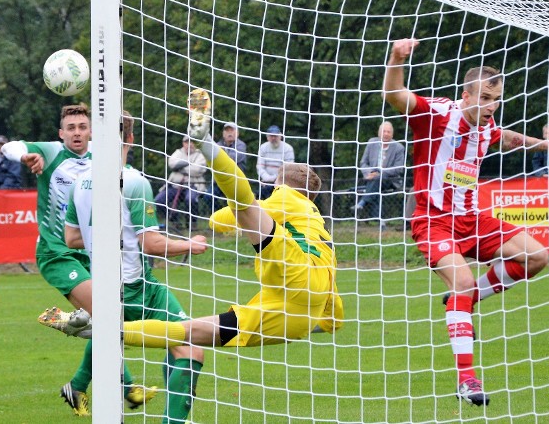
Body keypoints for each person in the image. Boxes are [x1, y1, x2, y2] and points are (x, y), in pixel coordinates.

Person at [43, 88, 343, 360]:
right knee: (189, 331)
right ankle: (102, 331)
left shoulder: (288, 196)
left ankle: (204, 142)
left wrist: (221, 219)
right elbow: (334, 313)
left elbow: (224, 217)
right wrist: (321, 323)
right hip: (293, 313)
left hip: (294, 268)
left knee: (245, 204)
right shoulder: (317, 223)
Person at [383, 38, 549, 407]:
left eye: (496, 100)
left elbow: (506, 137)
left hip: (474, 219)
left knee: (538, 257)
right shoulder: (438, 114)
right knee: (460, 282)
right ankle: (467, 380)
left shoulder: (487, 126)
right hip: (435, 221)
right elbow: (395, 93)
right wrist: (397, 58)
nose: (492, 106)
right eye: (486, 98)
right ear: (466, 94)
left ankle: (469, 297)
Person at [40, 111, 207, 423]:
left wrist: (105, 241)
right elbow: (151, 244)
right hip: (138, 288)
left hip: (108, 285)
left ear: (96, 137)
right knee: (191, 346)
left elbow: (72, 238)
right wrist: (190, 245)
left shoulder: (80, 182)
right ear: (130, 138)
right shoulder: (133, 181)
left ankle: (78, 376)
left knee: (117, 336)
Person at [1, 105, 154, 416]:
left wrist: (125, 128)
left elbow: (122, 162)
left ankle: (79, 380)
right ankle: (127, 389)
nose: (77, 133)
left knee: (112, 320)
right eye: (70, 127)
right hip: (58, 252)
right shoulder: (51, 151)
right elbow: (8, 146)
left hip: (91, 253)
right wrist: (25, 157)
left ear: (91, 131)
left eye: (82, 127)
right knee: (110, 316)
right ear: (61, 133)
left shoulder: (101, 154)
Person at [350, 121, 406, 227]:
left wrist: (379, 171)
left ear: (392, 134)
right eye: (384, 131)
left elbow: (398, 169)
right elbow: (363, 163)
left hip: (390, 180)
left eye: (388, 132)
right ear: (379, 133)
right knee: (376, 186)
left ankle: (362, 203)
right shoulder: (372, 143)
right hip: (371, 178)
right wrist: (369, 172)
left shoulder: (399, 147)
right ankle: (381, 221)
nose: (386, 134)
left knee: (378, 179)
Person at [154, 135, 207, 228]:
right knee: (158, 200)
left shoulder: (200, 154)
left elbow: (198, 169)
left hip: (193, 185)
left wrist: (180, 168)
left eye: (191, 142)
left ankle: (191, 223)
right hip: (174, 185)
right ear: (183, 143)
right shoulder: (178, 152)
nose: (189, 144)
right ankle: (175, 221)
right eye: (187, 142)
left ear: (195, 143)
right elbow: (172, 164)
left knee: (190, 199)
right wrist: (189, 164)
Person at [203, 122, 248, 212]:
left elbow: (233, 158)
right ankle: (221, 213)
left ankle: (233, 218)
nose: (229, 133)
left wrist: (219, 156)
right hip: (219, 182)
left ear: (237, 133)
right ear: (223, 134)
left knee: (238, 203)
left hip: (236, 181)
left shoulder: (241, 145)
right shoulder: (217, 145)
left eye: (232, 130)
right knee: (208, 196)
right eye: (227, 131)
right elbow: (212, 159)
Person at [256, 125, 295, 200]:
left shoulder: (288, 148)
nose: (273, 138)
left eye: (275, 136)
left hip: (282, 182)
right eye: (271, 136)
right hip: (265, 182)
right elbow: (260, 167)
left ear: (280, 136)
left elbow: (288, 169)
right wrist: (267, 179)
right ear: (267, 137)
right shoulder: (263, 147)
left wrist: (275, 180)